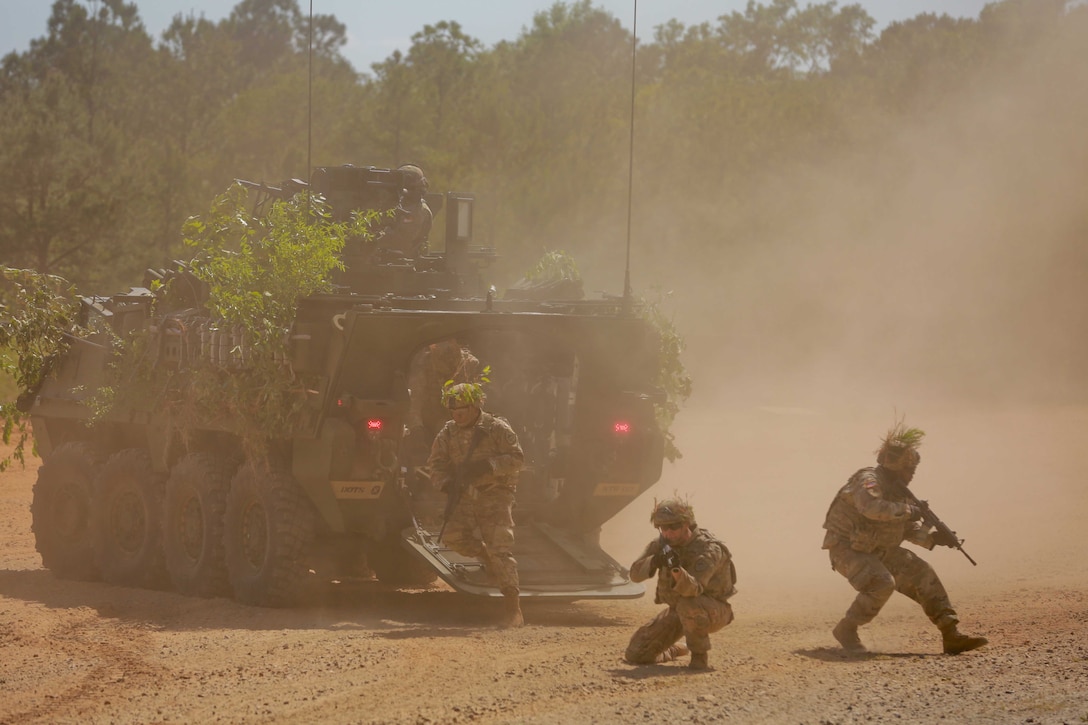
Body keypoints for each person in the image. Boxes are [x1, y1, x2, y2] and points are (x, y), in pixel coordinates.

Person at [822, 421, 988, 655]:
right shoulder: (868, 480)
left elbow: (907, 531)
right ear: (896, 465)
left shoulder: (901, 494)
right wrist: (912, 511)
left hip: (880, 549)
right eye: (908, 469)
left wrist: (934, 539)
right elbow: (871, 508)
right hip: (847, 550)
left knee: (923, 573)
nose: (911, 475)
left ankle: (951, 634)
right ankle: (847, 629)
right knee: (882, 582)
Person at [428, 381, 525, 628]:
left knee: (501, 548)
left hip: (495, 494)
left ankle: (513, 608)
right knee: (452, 537)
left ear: (475, 406)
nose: (457, 414)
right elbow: (436, 464)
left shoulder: (495, 428)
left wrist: (488, 466)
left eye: (462, 409)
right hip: (465, 495)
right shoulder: (448, 432)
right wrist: (447, 484)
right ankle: (485, 556)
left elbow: (517, 458)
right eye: (453, 410)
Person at [624, 497, 736, 670]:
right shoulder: (662, 544)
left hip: (712, 610)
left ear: (686, 524)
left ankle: (699, 657)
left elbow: (694, 589)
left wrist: (676, 569)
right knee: (636, 653)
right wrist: (654, 561)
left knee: (688, 604)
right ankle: (675, 650)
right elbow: (634, 576)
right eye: (663, 528)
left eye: (674, 527)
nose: (668, 532)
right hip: (679, 611)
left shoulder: (708, 549)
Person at [405, 339, 480, 467]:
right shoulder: (424, 363)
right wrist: (416, 428)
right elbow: (415, 400)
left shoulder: (469, 365)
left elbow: (474, 403)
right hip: (427, 418)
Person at [376, 163, 432, 257]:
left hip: (405, 260)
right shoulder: (397, 205)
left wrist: (373, 237)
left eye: (411, 188)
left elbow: (401, 240)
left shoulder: (420, 210)